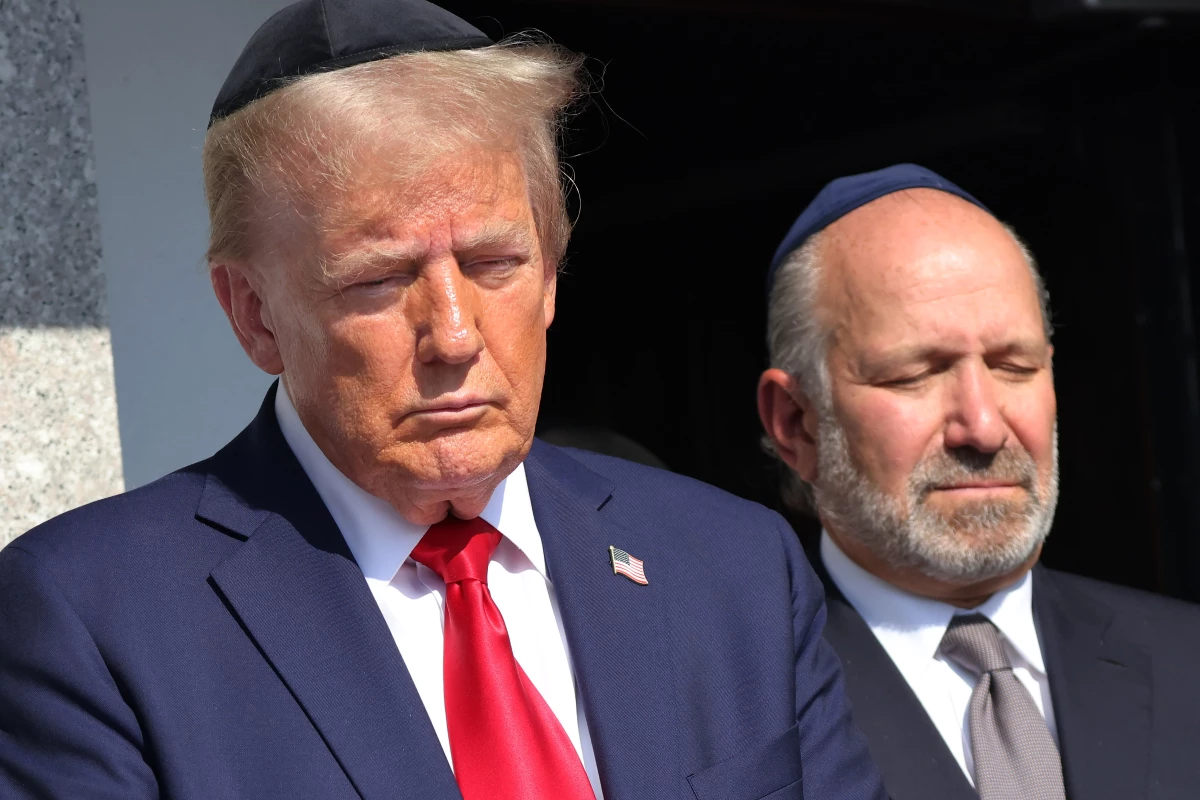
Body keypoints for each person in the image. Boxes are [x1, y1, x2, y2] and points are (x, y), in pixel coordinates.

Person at [0, 2, 887, 799]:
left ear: (550, 272)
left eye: (495, 263)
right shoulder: (92, 618)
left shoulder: (733, 568)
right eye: (381, 280)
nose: (455, 335)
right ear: (255, 314)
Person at [757, 163, 1200, 800]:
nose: (984, 427)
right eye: (916, 374)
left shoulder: (1185, 660)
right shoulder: (739, 710)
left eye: (1014, 366)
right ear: (796, 424)